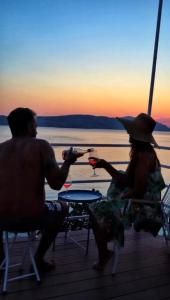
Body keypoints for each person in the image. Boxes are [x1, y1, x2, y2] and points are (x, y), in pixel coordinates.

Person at [0, 107, 78, 272]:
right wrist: (68, 163)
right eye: (35, 125)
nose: (36, 129)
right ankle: (39, 258)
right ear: (29, 126)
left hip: (2, 219)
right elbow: (56, 184)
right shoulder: (41, 146)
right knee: (62, 207)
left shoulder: (1, 148)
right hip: (31, 218)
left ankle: (2, 262)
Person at [90, 113, 165, 270]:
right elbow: (126, 181)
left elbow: (138, 190)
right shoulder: (139, 153)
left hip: (144, 207)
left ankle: (105, 252)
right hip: (137, 201)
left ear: (138, 135)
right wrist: (106, 165)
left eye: (132, 131)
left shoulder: (144, 156)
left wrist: (123, 196)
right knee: (100, 210)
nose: (128, 133)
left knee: (96, 211)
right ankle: (106, 245)